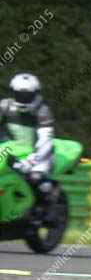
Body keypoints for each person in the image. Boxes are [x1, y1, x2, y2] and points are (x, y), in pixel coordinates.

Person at [0, 73, 58, 216]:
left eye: (27, 95)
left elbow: (45, 138)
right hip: (12, 150)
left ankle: (45, 211)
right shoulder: (4, 106)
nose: (23, 98)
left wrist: (31, 160)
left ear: (35, 93)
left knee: (35, 177)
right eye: (20, 94)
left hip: (38, 152)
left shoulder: (43, 111)